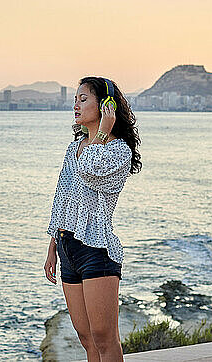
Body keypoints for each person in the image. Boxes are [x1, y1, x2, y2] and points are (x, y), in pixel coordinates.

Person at [44, 76, 142, 362]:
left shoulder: (118, 150)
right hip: (67, 247)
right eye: (75, 99)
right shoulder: (73, 148)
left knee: (104, 339)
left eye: (83, 99)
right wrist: (52, 246)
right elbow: (61, 197)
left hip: (96, 251)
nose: (76, 105)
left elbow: (89, 171)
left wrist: (102, 132)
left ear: (106, 106)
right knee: (86, 339)